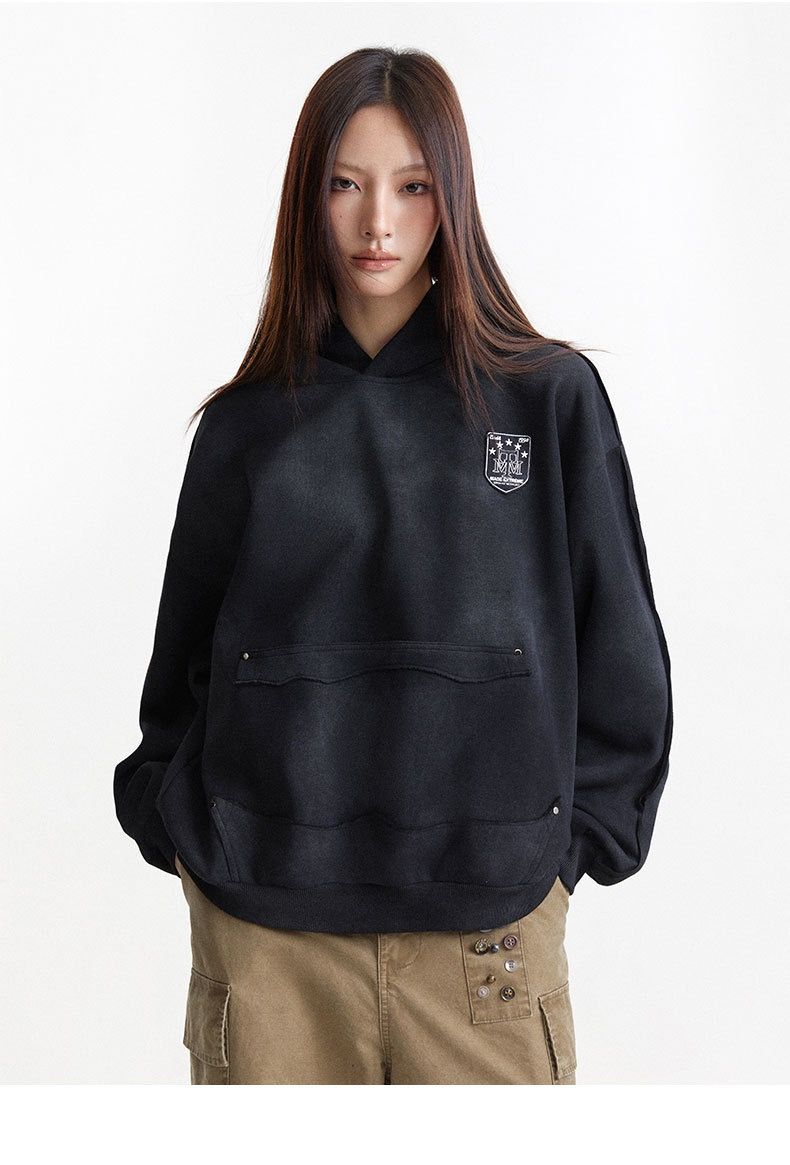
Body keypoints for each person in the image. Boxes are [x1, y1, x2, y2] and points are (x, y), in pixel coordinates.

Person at [113, 47, 673, 1085]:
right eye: (346, 184)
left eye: (413, 187)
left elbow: (624, 666)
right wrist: (190, 839)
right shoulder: (245, 427)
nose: (379, 223)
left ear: (452, 197)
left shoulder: (546, 400)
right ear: (306, 196)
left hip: (488, 943)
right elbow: (178, 689)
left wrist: (559, 865)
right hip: (269, 943)